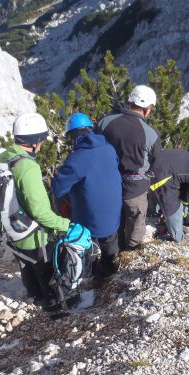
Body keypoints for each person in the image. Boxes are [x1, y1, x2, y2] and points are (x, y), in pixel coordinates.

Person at [0, 112, 72, 308]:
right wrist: (65, 224)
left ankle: (35, 297)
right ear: (35, 141)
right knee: (44, 269)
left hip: (12, 227)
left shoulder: (2, 157)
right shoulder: (27, 167)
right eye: (42, 140)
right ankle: (55, 307)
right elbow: (40, 211)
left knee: (25, 264)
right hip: (32, 233)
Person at [52, 113, 122, 276]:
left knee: (90, 249)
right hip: (114, 215)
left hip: (91, 222)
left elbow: (58, 188)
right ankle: (110, 270)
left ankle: (89, 274)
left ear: (72, 136)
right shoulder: (109, 148)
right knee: (110, 243)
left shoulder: (77, 159)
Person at [96, 85, 161, 250]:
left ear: (130, 101)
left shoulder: (105, 122)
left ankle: (110, 256)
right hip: (135, 190)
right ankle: (130, 256)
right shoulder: (151, 133)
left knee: (112, 226)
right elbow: (155, 163)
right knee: (135, 227)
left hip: (107, 185)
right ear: (147, 109)